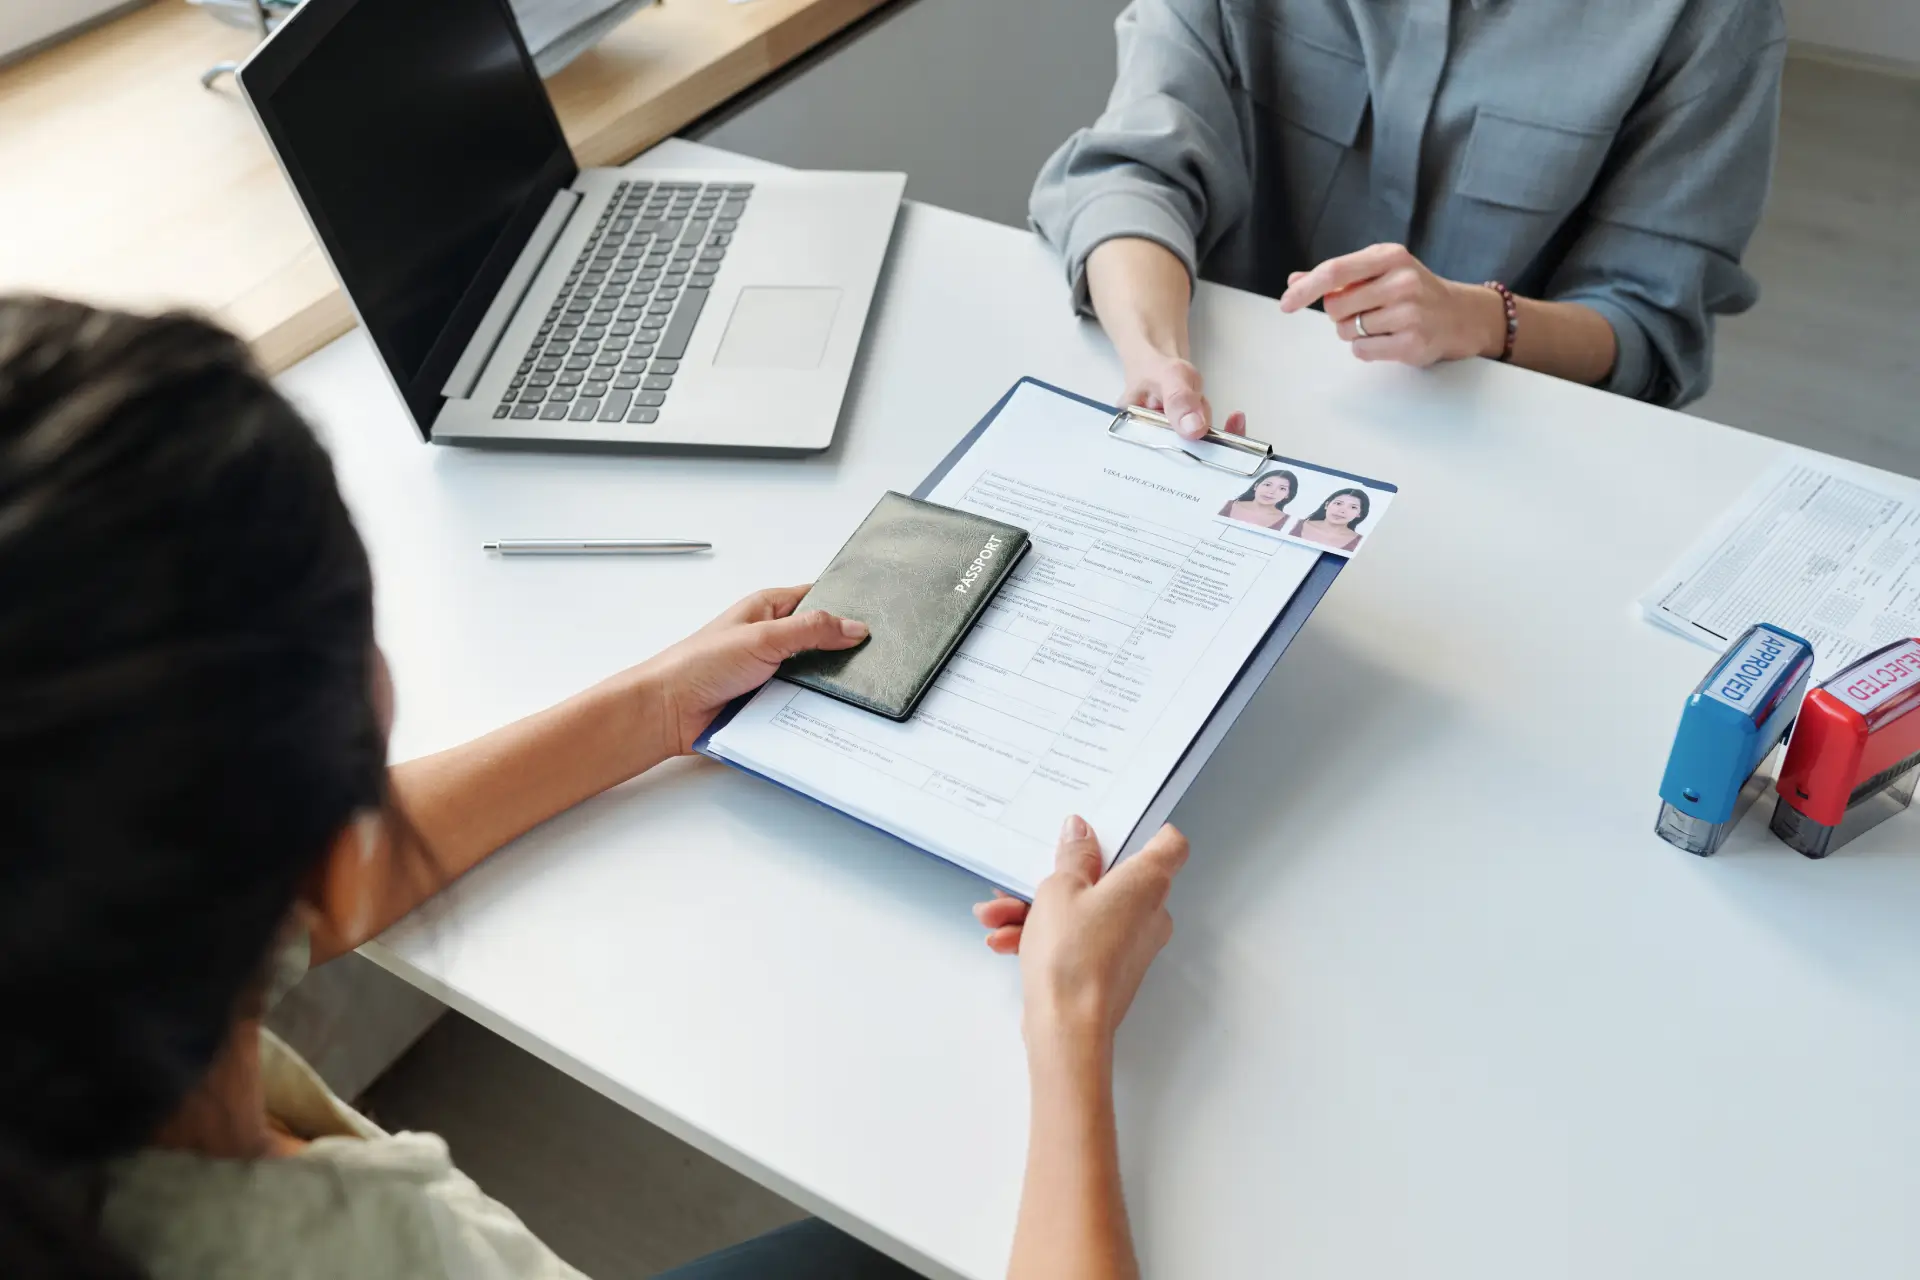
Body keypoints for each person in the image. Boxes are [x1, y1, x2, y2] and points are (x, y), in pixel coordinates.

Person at [0, 297, 1189, 1280]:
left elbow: (320, 890)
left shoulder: (73, 949)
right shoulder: (373, 1252)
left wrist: (655, 704)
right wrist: (1071, 1025)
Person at [1030, 0, 1787, 438]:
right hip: (1229, 405)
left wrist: (1483, 320)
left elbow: (1652, 325)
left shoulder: (1710, 17)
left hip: (1502, 446)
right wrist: (1157, 359)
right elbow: (1132, 173)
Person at [1290, 487, 1369, 552]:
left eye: (1353, 507)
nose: (1342, 510)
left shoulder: (1360, 542)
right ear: (1327, 505)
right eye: (1338, 503)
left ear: (1359, 514)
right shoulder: (1295, 524)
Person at [1217, 468, 1298, 529]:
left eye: (1282, 488)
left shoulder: (1289, 522)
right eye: (1267, 485)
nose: (1271, 491)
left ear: (1287, 495)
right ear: (1256, 486)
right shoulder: (1228, 505)